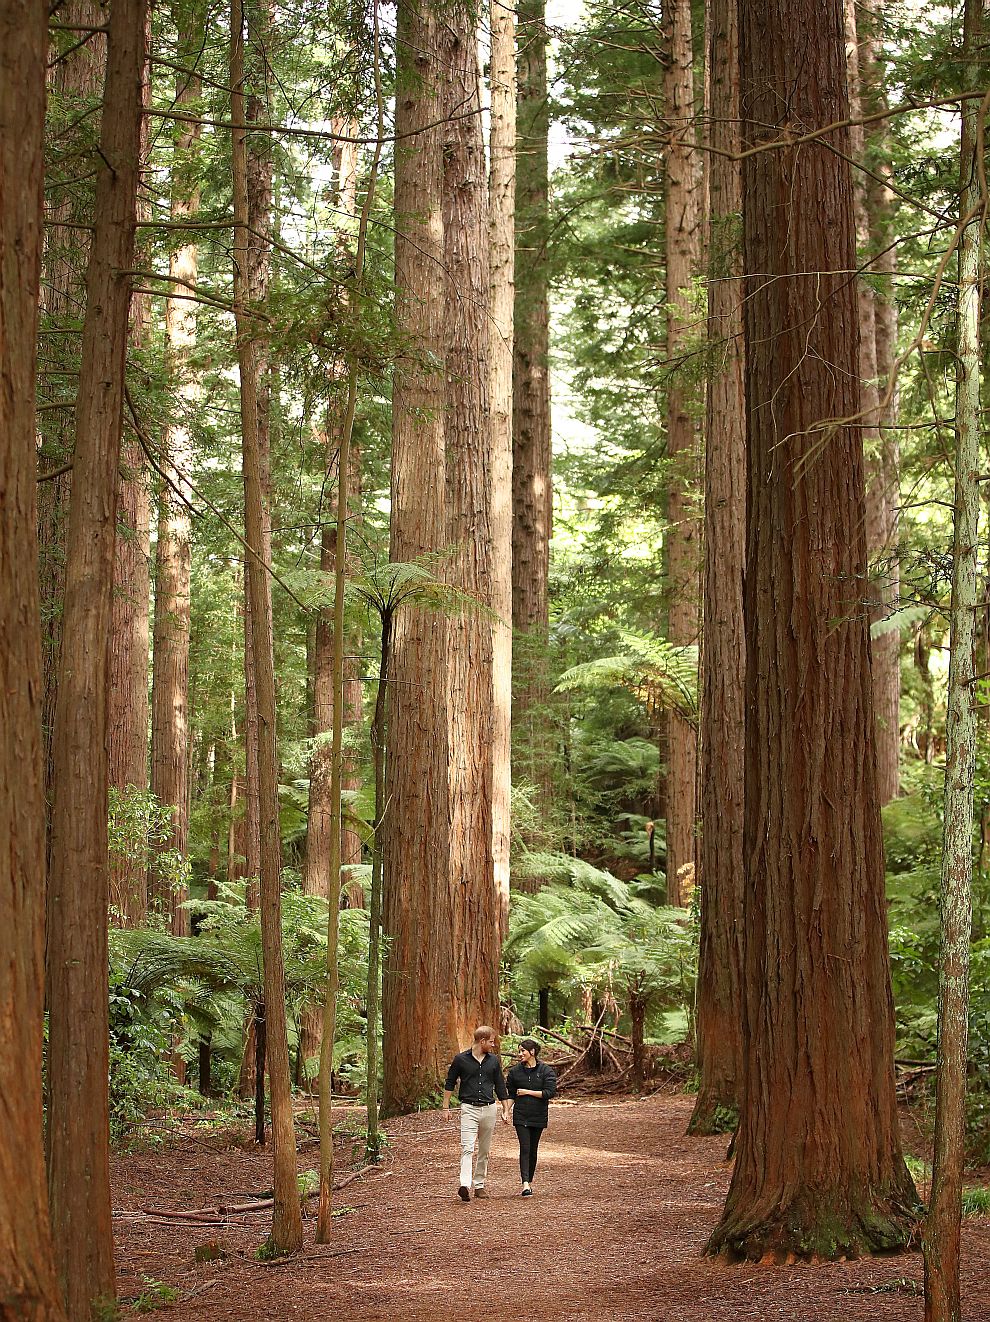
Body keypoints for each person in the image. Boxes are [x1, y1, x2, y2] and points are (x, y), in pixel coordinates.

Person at [442, 1025, 510, 1202]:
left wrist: (505, 1109)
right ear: (482, 1041)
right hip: (468, 1108)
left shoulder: (493, 1061)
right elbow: (450, 1083)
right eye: (491, 1042)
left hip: (489, 1108)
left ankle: (479, 1184)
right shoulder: (460, 1060)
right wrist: (445, 1107)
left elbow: (500, 1085)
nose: (493, 1045)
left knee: (484, 1150)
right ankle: (465, 1185)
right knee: (467, 1148)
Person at [506, 1038, 557, 1196]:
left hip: (538, 1115)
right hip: (521, 1115)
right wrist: (506, 1110)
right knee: (525, 1148)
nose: (520, 1054)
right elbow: (511, 1094)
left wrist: (528, 1092)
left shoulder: (546, 1071)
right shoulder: (515, 1072)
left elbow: (549, 1093)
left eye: (523, 1051)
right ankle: (525, 1183)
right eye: (519, 1051)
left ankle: (530, 1179)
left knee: (533, 1150)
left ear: (532, 1052)